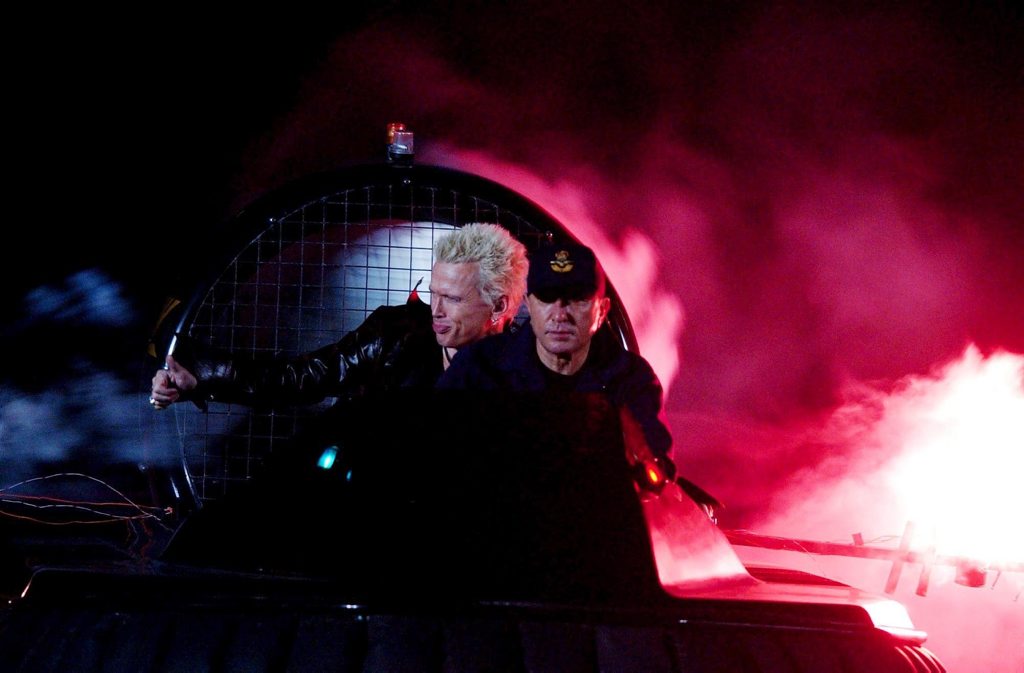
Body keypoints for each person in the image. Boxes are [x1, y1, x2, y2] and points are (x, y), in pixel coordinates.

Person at [149, 223, 528, 410]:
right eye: (434, 294)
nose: (437, 310)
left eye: (454, 299)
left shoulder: (534, 371)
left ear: (498, 306)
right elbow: (302, 378)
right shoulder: (396, 335)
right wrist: (201, 374)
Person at [437, 241, 676, 480]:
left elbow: (657, 478)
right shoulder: (479, 367)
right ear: (529, 306)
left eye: (577, 299)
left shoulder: (631, 380)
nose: (560, 314)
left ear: (602, 311)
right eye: (547, 298)